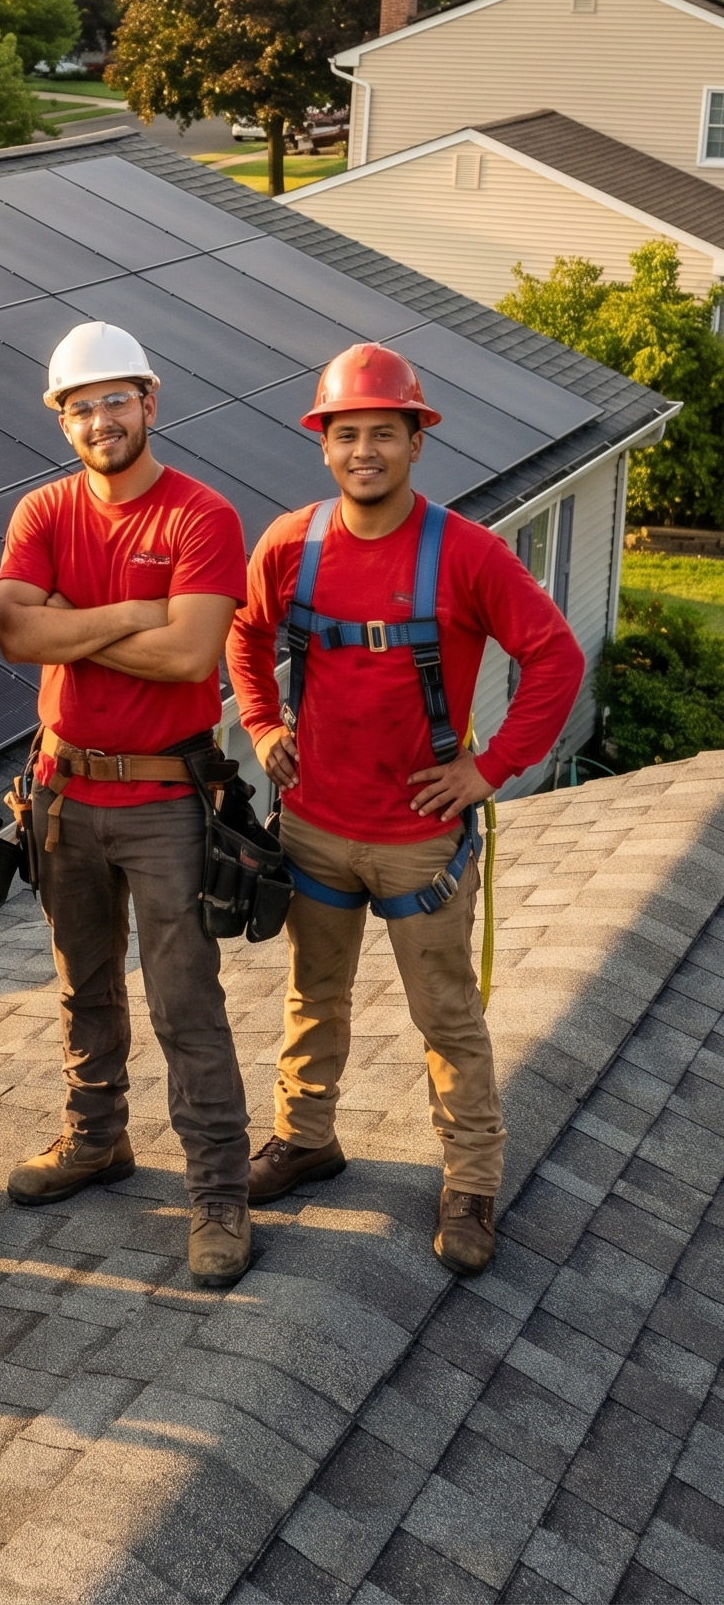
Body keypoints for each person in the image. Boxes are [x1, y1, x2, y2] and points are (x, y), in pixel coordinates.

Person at [227, 343, 585, 1275]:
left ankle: (469, 1184)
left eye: (384, 432)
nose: (364, 452)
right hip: (314, 827)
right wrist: (263, 726)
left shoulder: (465, 555)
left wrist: (492, 768)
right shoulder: (291, 546)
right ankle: (304, 1138)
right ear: (324, 445)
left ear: (416, 441)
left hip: (421, 840)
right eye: (347, 434)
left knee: (446, 1016)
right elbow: (245, 634)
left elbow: (554, 658)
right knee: (313, 998)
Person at [0, 320, 253, 1289]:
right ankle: (95, 1138)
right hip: (63, 793)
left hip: (162, 803)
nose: (98, 420)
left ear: (150, 402)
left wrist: (70, 629)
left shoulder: (199, 517)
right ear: (60, 419)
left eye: (114, 400)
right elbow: (15, 634)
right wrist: (130, 616)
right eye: (79, 406)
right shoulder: (43, 513)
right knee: (83, 987)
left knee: (185, 1001)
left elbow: (192, 656)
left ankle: (219, 1193)